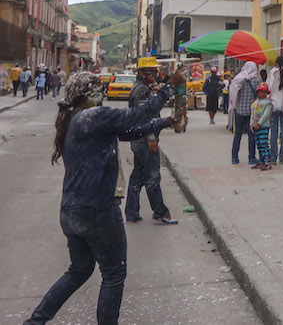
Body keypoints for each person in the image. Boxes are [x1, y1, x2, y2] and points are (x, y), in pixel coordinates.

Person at [24, 69, 185, 325]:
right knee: (113, 274)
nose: (103, 91)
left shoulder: (77, 118)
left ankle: (35, 321)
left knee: (79, 270)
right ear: (91, 93)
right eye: (99, 87)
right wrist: (168, 88)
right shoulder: (94, 116)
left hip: (71, 211)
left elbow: (128, 131)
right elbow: (136, 114)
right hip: (97, 210)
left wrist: (164, 122)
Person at [124, 57, 178, 225]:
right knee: (153, 177)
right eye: (149, 71)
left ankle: (131, 213)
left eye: (155, 71)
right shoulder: (141, 90)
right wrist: (151, 138)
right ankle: (160, 212)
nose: (154, 74)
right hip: (144, 139)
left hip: (138, 139)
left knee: (137, 178)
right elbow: (144, 117)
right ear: (140, 73)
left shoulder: (142, 87)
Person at [229, 62, 261, 165]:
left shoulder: (239, 78)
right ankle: (251, 158)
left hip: (239, 111)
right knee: (252, 135)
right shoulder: (257, 79)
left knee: (237, 135)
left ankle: (234, 158)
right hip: (252, 112)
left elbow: (233, 93)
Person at [250, 82, 273, 171]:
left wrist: (259, 123)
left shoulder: (268, 103)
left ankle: (267, 162)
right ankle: (261, 161)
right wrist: (251, 124)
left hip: (263, 126)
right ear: (257, 93)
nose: (262, 94)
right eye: (260, 92)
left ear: (266, 93)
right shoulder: (255, 103)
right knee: (259, 144)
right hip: (256, 127)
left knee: (264, 144)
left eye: (264, 92)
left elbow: (266, 115)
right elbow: (252, 114)